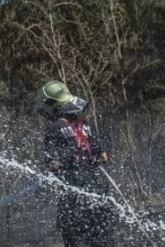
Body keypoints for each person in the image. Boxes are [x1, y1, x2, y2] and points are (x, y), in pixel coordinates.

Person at [35, 80, 117, 247]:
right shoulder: (84, 123)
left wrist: (56, 168)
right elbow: (103, 156)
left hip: (74, 203)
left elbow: (53, 163)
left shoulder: (54, 128)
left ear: (52, 105)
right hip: (100, 194)